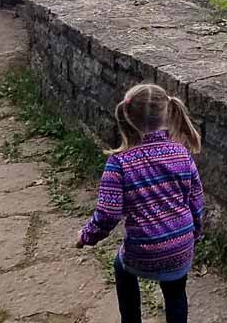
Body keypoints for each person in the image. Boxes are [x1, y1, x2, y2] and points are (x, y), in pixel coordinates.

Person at [76, 83, 206, 323]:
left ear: (128, 118)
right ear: (166, 113)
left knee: (121, 266)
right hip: (181, 244)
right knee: (176, 293)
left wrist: (88, 235)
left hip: (143, 249)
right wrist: (194, 236)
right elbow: (196, 202)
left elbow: (108, 214)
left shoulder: (120, 163)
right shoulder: (181, 153)